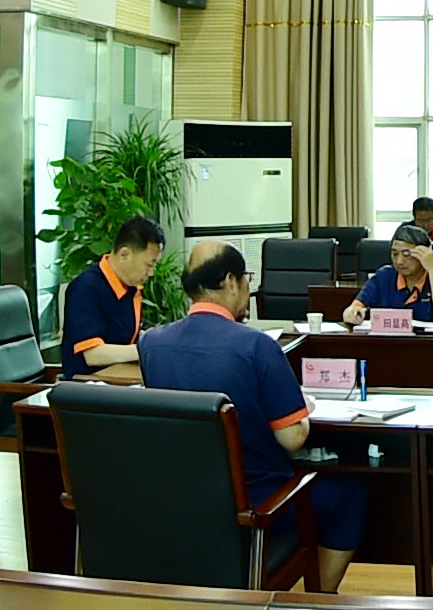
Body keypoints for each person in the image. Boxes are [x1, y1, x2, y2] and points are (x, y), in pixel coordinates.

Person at [139, 241, 366, 590]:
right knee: (350, 496)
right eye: (247, 278)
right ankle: (318, 599)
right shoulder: (257, 346)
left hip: (181, 504)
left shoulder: (151, 344)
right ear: (231, 281)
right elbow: (292, 438)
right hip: (257, 502)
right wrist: (304, 408)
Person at [60, 215, 164, 378]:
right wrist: (147, 349)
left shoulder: (130, 287)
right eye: (149, 265)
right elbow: (93, 355)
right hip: (87, 385)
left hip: (120, 376)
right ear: (124, 254)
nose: (151, 273)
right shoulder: (85, 288)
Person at [345, 224, 433, 323]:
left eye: (406, 254)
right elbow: (354, 307)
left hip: (428, 341)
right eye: (395, 254)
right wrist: (352, 313)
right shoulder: (384, 276)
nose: (399, 261)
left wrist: (432, 269)